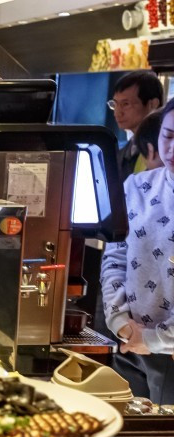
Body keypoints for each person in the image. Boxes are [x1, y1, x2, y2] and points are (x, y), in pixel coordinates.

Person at [102, 97, 174, 403]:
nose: (171, 150)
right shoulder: (137, 187)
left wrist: (156, 340)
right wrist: (120, 321)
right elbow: (115, 255)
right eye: (169, 137)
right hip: (130, 342)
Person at [110, 70, 163, 181]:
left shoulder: (164, 149)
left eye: (126, 104)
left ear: (152, 104)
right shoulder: (123, 151)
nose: (117, 112)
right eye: (115, 104)